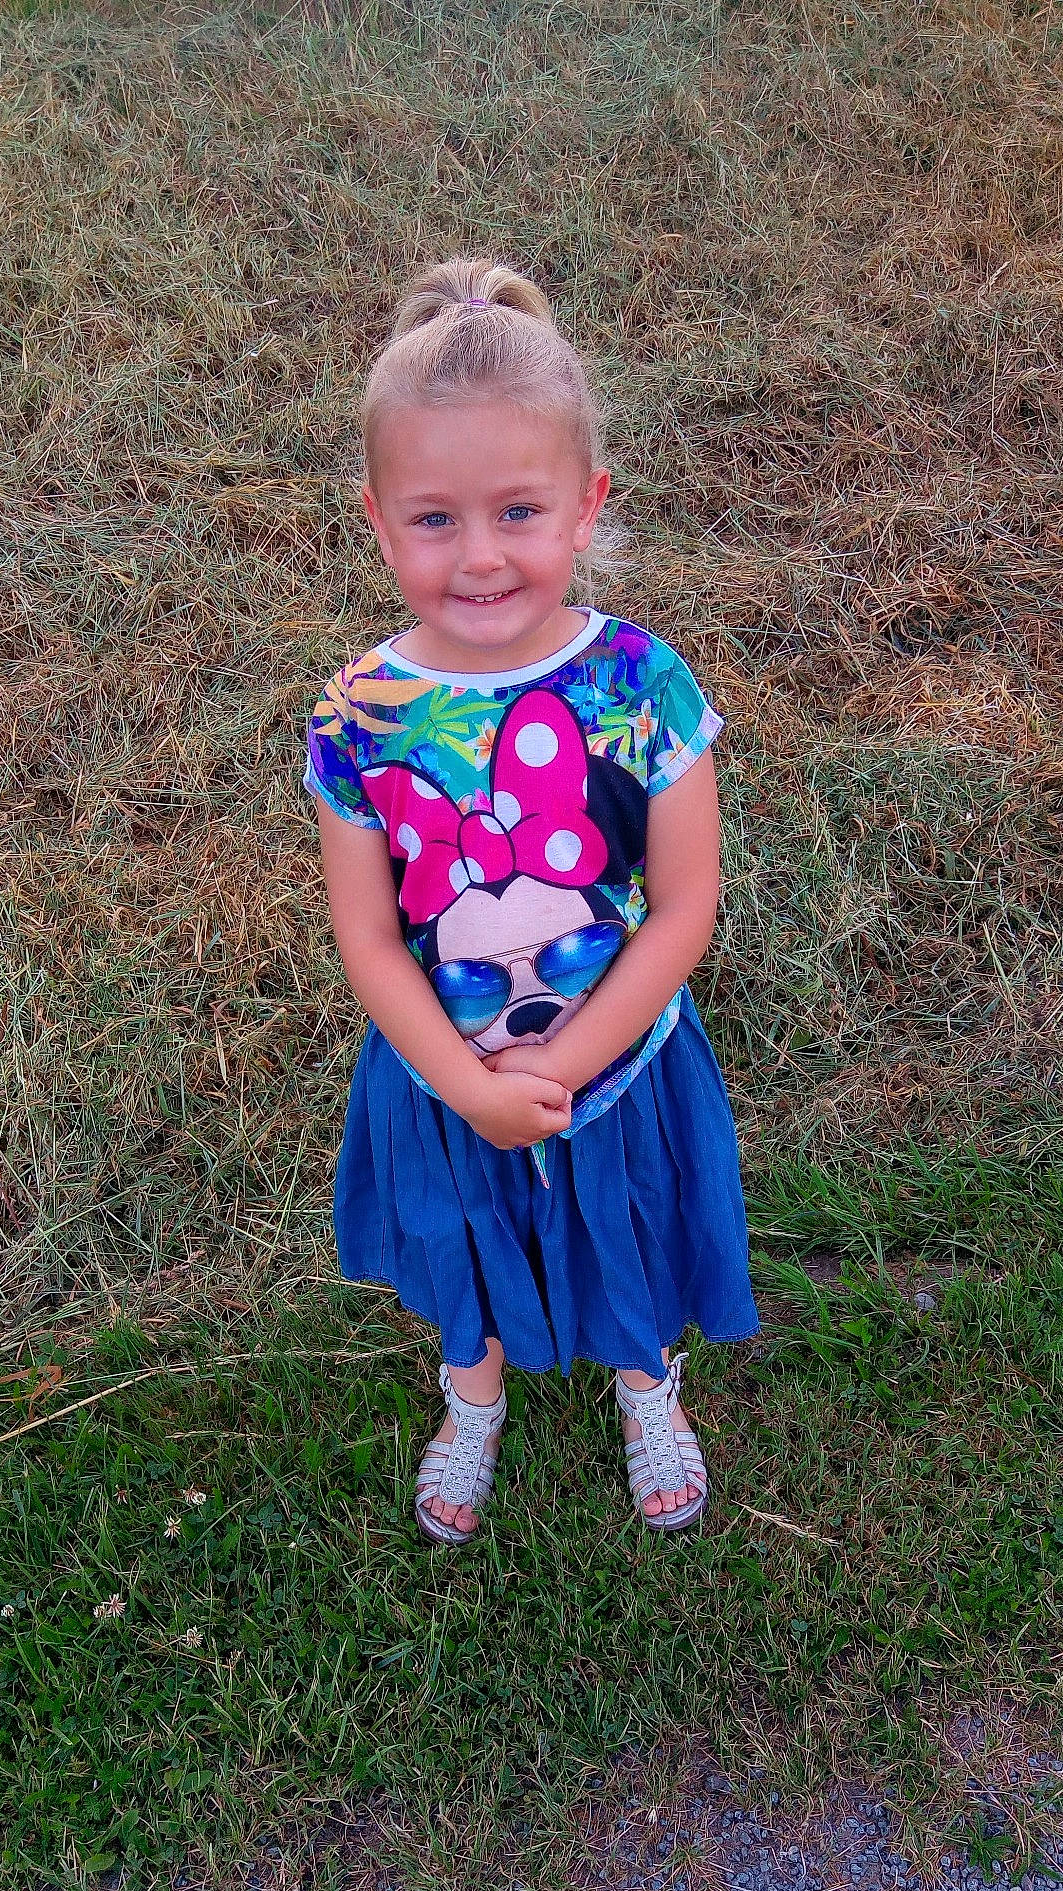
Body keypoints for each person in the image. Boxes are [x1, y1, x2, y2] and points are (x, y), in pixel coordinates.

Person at [304, 255, 759, 1546]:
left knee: (631, 1234)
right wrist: (466, 1084)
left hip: (620, 1061)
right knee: (469, 1245)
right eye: (435, 520)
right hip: (440, 1071)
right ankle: (475, 1395)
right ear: (379, 521)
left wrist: (564, 1061)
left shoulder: (642, 683)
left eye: (519, 510)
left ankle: (644, 1383)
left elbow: (682, 904)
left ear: (585, 504)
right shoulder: (359, 717)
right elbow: (367, 931)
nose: (482, 555)